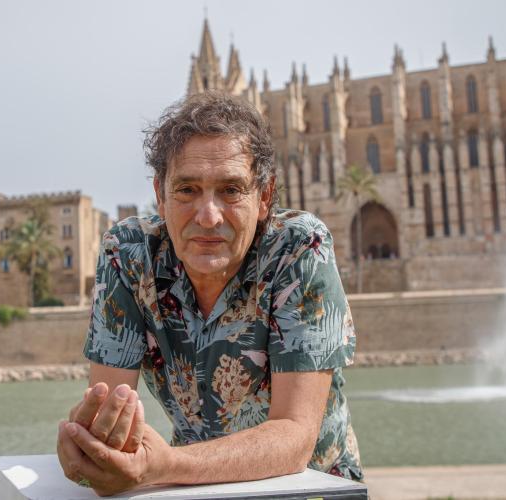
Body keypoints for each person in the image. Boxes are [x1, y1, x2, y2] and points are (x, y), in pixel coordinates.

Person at [56, 91, 362, 496]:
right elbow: (111, 412)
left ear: (264, 197)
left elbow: (294, 437)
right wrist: (92, 442)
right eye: (187, 189)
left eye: (231, 190)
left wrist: (165, 464)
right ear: (160, 195)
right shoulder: (128, 254)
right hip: (194, 486)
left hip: (310, 488)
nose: (208, 216)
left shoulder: (299, 249)